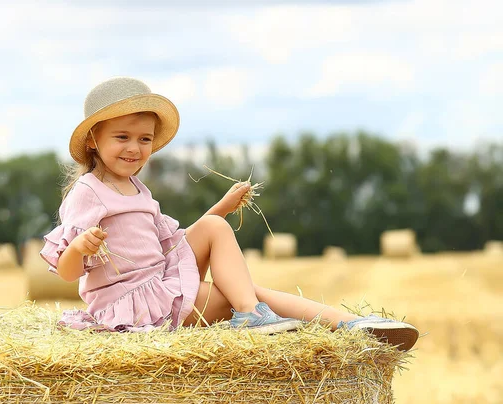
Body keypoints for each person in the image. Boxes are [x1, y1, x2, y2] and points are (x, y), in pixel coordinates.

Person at [40, 77, 419, 351]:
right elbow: (66, 272)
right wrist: (81, 247)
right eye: (122, 137)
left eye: (145, 139)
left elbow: (175, 245)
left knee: (218, 237)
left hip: (160, 283)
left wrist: (221, 208)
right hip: (135, 306)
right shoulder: (87, 192)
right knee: (246, 293)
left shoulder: (138, 189)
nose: (135, 148)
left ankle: (348, 323)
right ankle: (343, 324)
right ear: (93, 139)